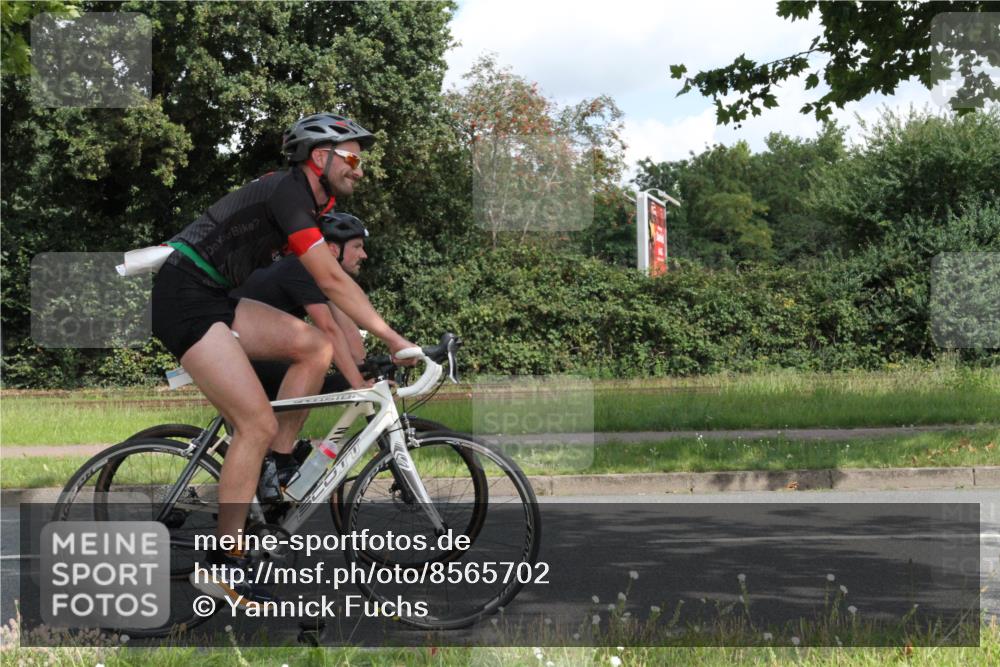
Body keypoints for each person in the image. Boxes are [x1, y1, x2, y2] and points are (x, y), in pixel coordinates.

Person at [150, 113, 415, 606]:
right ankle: (225, 562)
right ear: (321, 157)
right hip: (184, 298)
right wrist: (393, 338)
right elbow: (333, 283)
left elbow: (332, 312)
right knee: (254, 422)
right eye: (353, 157)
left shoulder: (310, 201)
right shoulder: (289, 192)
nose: (360, 168)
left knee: (314, 347)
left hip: (214, 297)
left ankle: (274, 466)